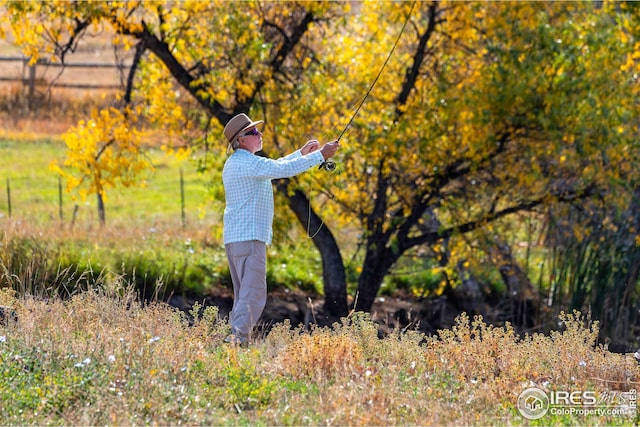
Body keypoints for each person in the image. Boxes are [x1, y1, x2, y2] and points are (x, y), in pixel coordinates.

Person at [221, 113, 339, 345]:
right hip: (250, 239)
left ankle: (235, 341)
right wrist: (320, 155)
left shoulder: (240, 163)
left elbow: (275, 166)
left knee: (244, 294)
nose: (259, 134)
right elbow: (279, 170)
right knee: (253, 293)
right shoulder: (247, 163)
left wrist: (302, 154)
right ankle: (236, 341)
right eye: (254, 132)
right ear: (241, 140)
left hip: (237, 240)